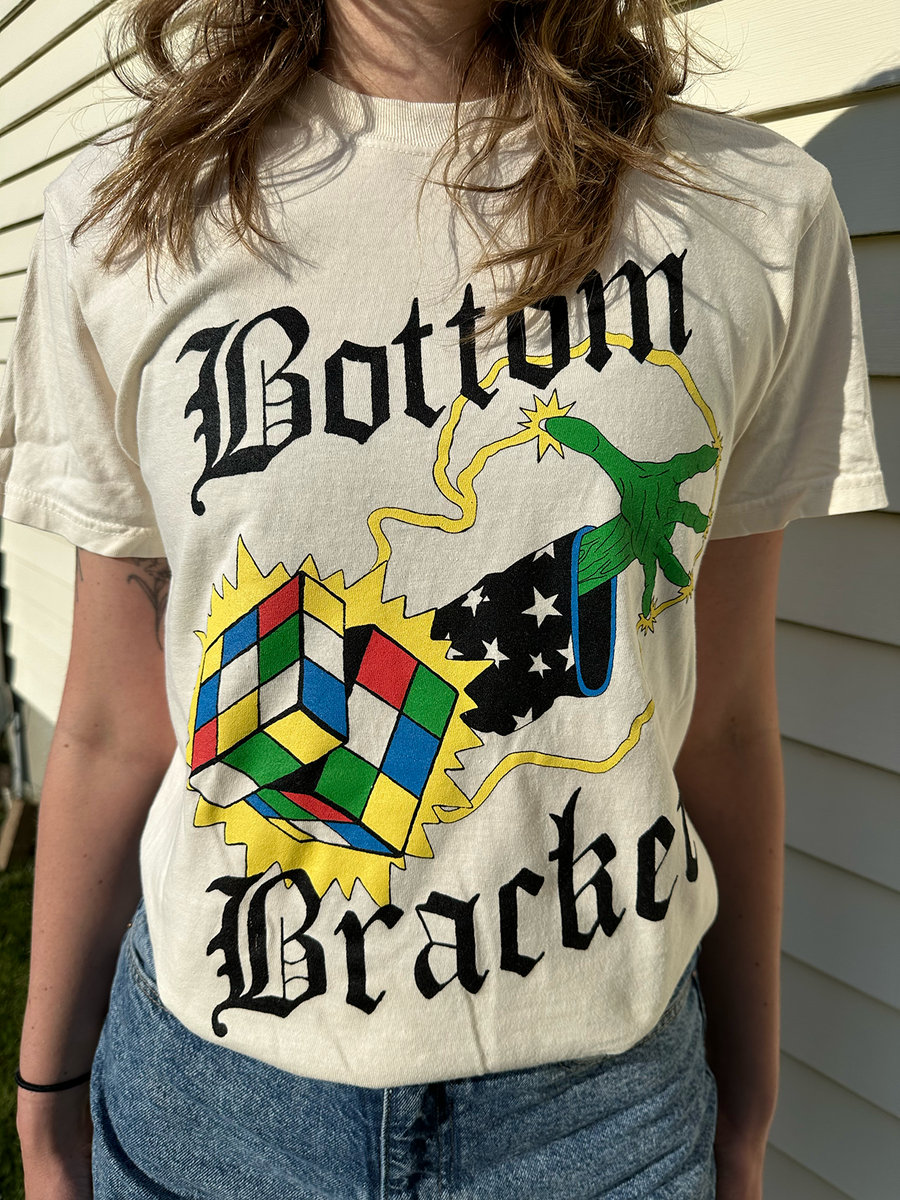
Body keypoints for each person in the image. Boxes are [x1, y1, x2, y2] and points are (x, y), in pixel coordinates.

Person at [2, 1, 887, 1197]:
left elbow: (721, 720)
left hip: (603, 1120)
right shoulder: (127, 216)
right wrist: (45, 1094)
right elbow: (113, 724)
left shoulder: (754, 212)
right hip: (215, 1099)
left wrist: (747, 1098)